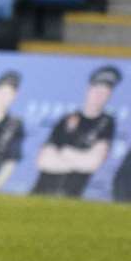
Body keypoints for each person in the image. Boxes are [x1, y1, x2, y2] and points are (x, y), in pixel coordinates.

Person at [31, 64, 121, 198]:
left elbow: (93, 163)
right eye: (97, 90)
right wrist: (78, 159)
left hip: (69, 195)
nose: (99, 96)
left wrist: (64, 153)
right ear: (89, 90)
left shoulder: (107, 123)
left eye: (105, 92)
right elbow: (43, 161)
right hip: (40, 191)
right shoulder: (66, 120)